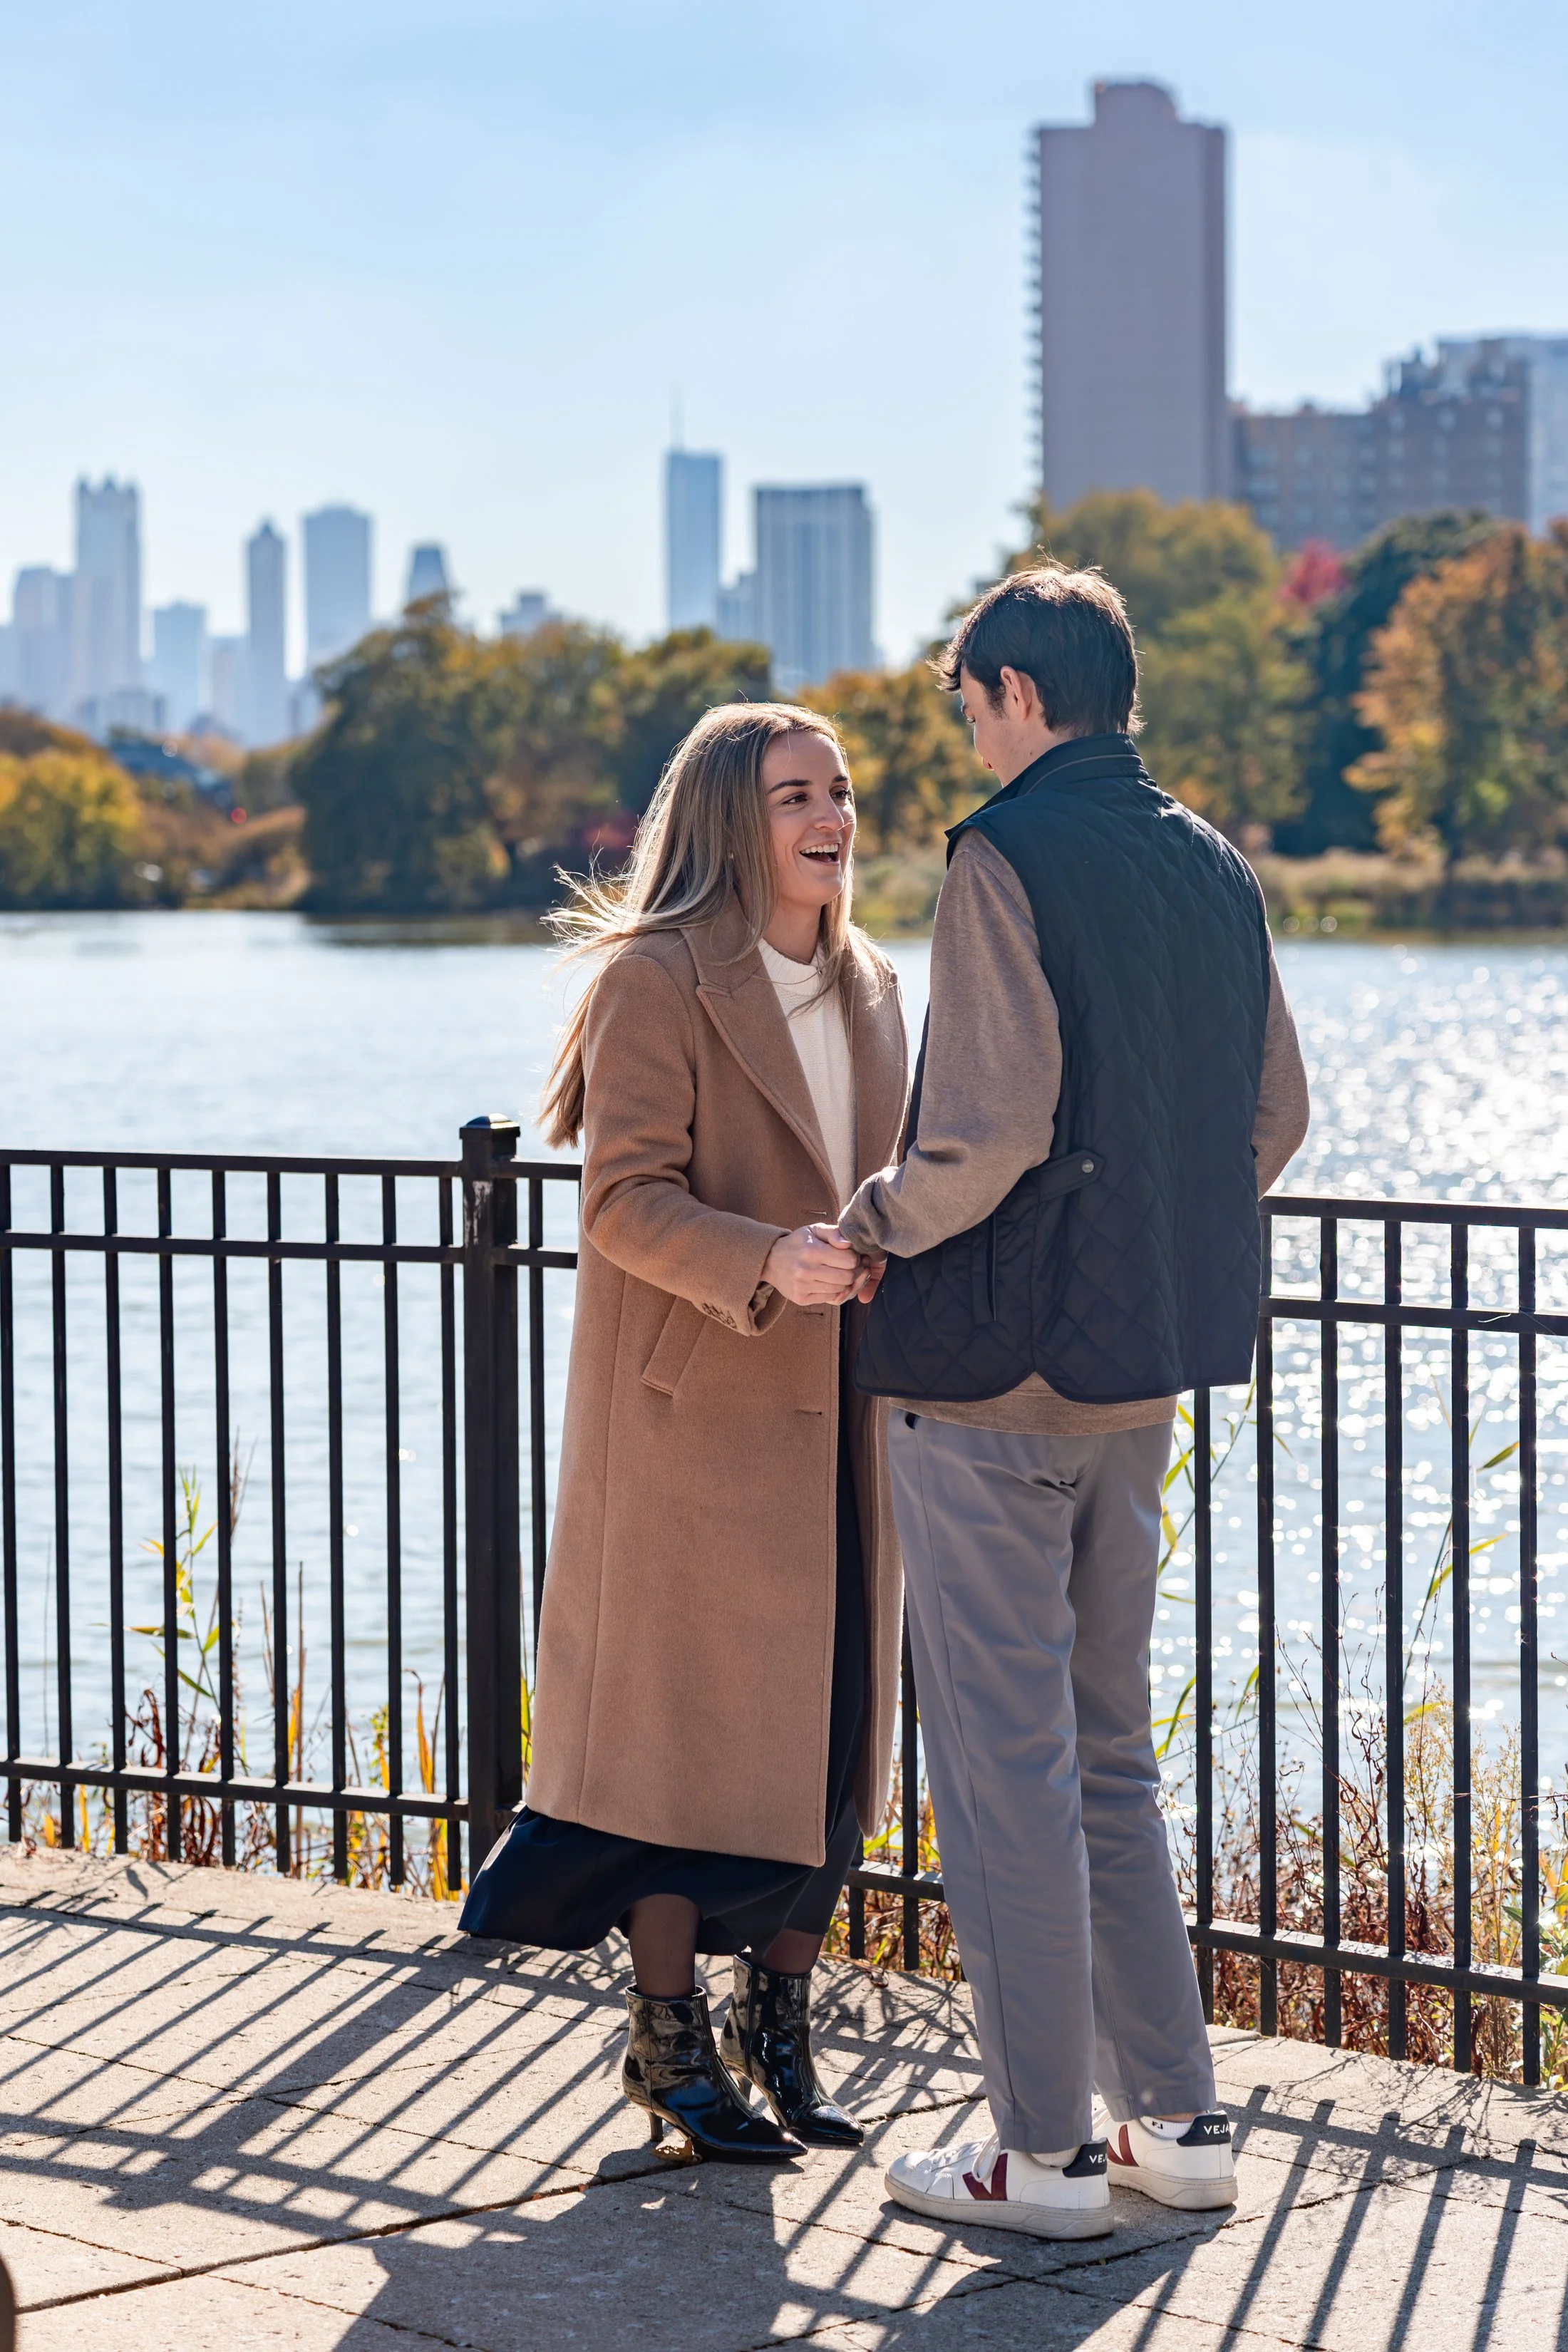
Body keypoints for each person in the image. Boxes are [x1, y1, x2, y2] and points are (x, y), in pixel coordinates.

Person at [834, 567, 1310, 2240]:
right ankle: (1173, 2128)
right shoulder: (1211, 865)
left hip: (987, 1377)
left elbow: (978, 1135)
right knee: (1108, 1753)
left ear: (1020, 694)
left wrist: (865, 1227)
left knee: (1003, 1768)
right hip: (1136, 1373)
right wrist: (1137, 1239)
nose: (964, 722)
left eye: (967, 695)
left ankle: (1034, 2151)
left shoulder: (1000, 853)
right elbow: (1273, 1115)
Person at [461, 701, 909, 2166]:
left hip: (848, 1422)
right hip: (697, 1425)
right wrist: (765, 1261)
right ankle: (667, 2038)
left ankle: (779, 2024)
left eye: (838, 789)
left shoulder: (876, 990)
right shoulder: (653, 982)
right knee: (679, 1752)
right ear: (730, 820)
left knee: (831, 1731)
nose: (830, 814)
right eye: (795, 795)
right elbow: (618, 1202)